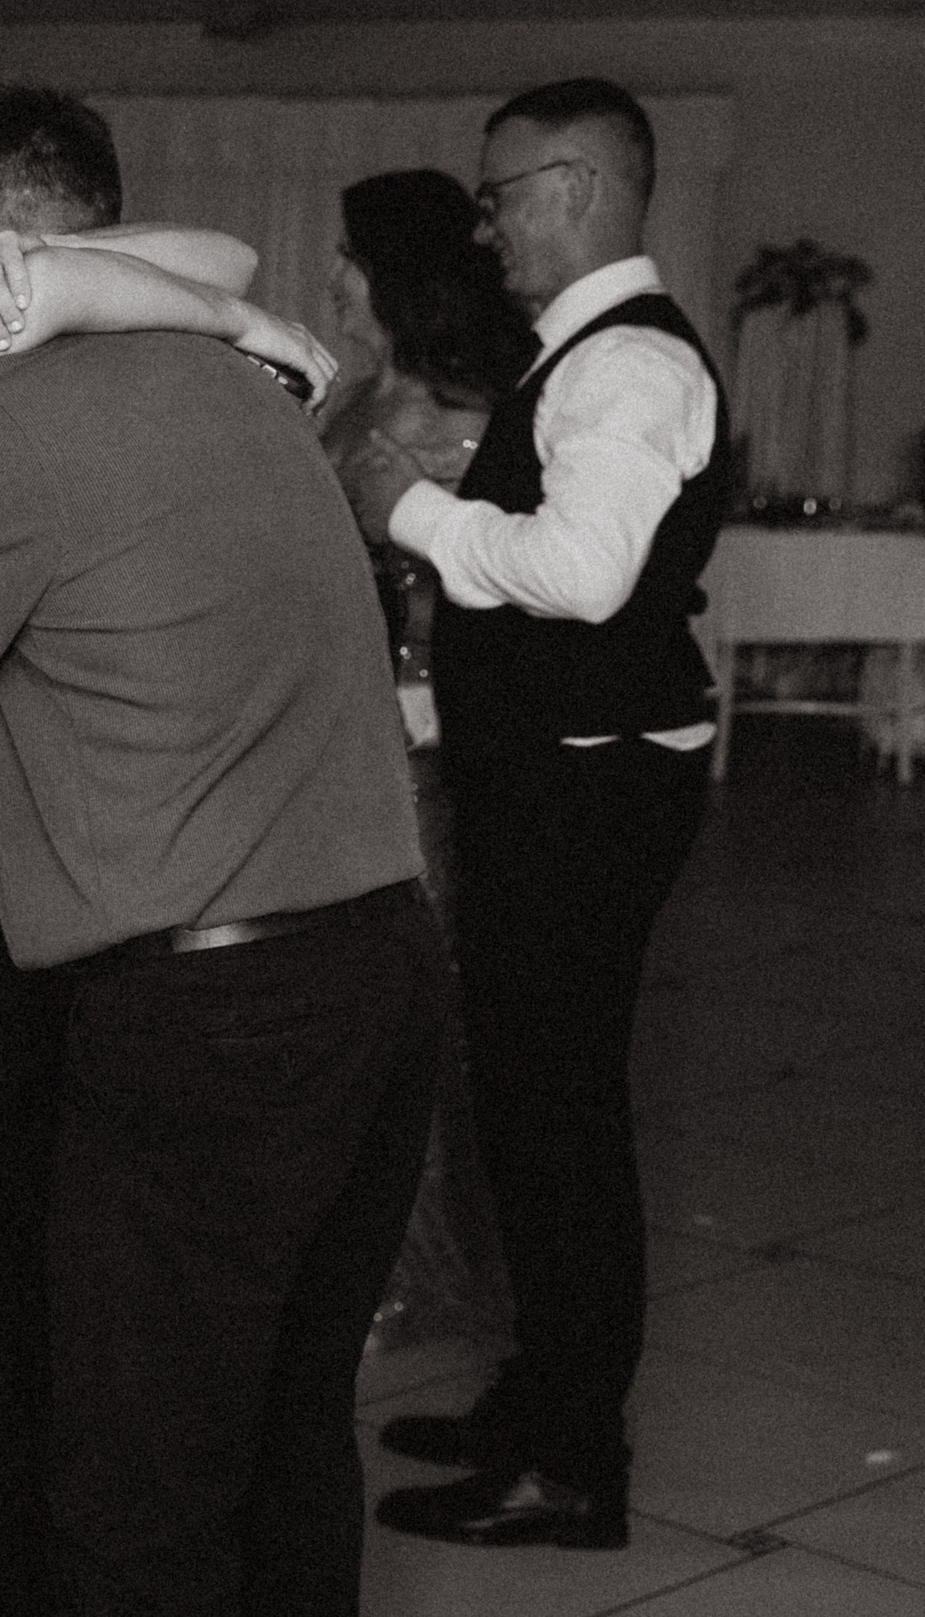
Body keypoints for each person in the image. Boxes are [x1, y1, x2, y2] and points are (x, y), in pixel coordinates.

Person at [0, 82, 444, 1615]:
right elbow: (195, 265)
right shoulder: (223, 371)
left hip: (214, 1007)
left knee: (140, 1492)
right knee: (289, 1431)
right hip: (384, 965)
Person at [352, 80, 731, 1551]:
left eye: (501, 194)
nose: (485, 222)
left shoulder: (627, 363)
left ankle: (573, 1460)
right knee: (524, 1105)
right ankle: (540, 1393)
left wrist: (408, 507)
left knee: (559, 1118)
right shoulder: (582, 353)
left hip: (590, 780)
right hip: (561, 766)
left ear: (575, 186)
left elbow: (583, 574)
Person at [321, 170, 538, 1354]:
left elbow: (488, 596)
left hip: (426, 754)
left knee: (422, 1015)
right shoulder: (353, 394)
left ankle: (421, 1271)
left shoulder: (475, 413)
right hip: (338, 746)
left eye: (348, 259)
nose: (332, 281)